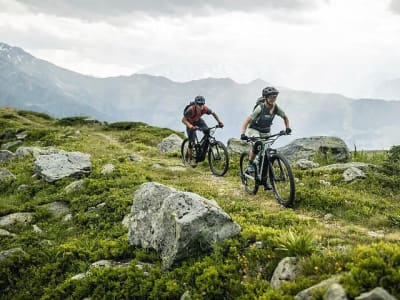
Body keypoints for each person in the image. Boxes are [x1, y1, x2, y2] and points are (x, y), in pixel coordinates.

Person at [240, 86, 291, 190]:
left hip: (266, 132)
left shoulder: (276, 108)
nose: (274, 99)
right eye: (272, 97)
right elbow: (247, 121)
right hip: (254, 130)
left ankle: (264, 180)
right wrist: (243, 133)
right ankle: (250, 164)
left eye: (275, 97)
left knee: (266, 155)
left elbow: (285, 117)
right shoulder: (260, 108)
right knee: (258, 144)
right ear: (266, 97)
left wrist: (287, 128)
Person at [182, 95, 224, 166]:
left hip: (198, 120)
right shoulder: (191, 110)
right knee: (192, 141)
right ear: (195, 104)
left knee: (207, 131)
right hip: (189, 123)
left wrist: (219, 122)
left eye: (202, 104)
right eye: (199, 104)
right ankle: (191, 159)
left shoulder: (205, 109)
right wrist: (191, 126)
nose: (201, 106)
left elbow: (213, 113)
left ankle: (202, 149)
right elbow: (183, 120)